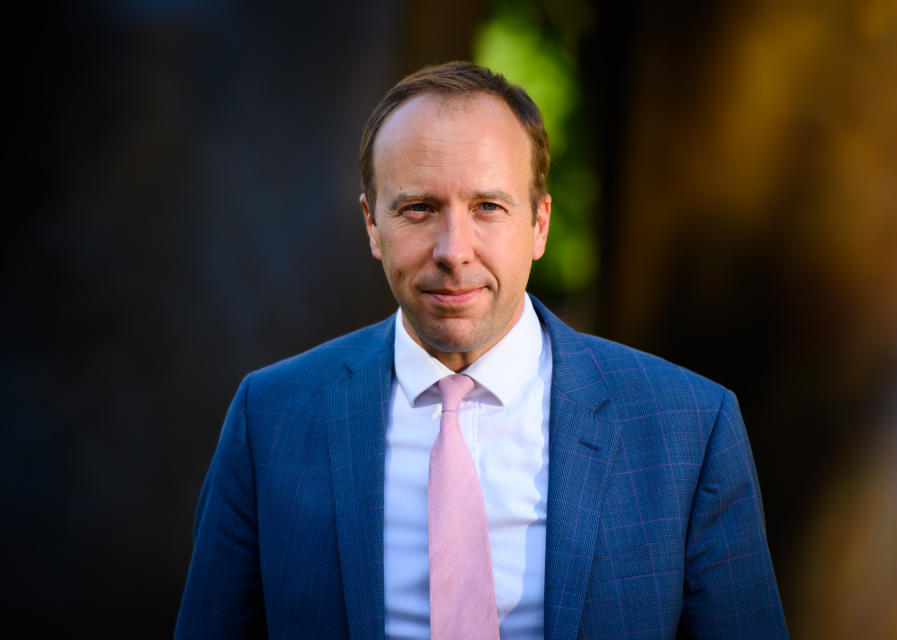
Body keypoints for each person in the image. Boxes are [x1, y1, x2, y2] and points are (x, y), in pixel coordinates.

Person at [175, 61, 788, 639]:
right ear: (371, 225)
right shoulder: (270, 418)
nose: (453, 249)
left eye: (488, 207)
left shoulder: (691, 427)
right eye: (418, 208)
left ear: (539, 224)